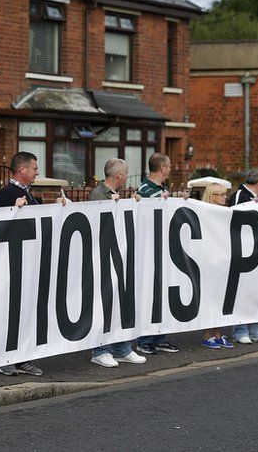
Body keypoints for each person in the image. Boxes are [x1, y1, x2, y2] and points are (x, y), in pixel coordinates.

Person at [88, 159, 147, 367]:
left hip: (118, 256)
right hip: (103, 257)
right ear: (119, 175)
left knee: (121, 303)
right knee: (105, 305)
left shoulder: (115, 195)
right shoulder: (98, 194)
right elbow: (96, 224)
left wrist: (132, 205)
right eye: (126, 172)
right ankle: (100, 350)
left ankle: (121, 348)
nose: (127, 176)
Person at [0, 152, 45, 376]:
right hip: (11, 263)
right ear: (22, 169)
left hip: (27, 262)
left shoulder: (27, 194)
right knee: (9, 311)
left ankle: (23, 358)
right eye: (34, 168)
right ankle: (4, 358)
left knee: (26, 312)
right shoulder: (7, 193)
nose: (37, 172)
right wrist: (12, 209)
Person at [135, 153, 179, 355]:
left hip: (163, 249)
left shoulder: (162, 190)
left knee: (162, 295)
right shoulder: (145, 190)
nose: (170, 169)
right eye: (169, 166)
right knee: (149, 295)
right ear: (162, 168)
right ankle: (144, 339)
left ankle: (159, 337)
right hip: (149, 251)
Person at [228, 168, 258, 345]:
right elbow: (235, 217)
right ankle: (240, 330)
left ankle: (255, 329)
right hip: (243, 250)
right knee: (243, 292)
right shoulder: (240, 195)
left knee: (257, 291)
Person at [199, 183, 234, 350]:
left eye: (225, 194)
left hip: (223, 259)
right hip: (209, 261)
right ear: (212, 196)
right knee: (210, 298)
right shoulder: (204, 213)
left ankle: (218, 334)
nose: (224, 197)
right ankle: (207, 335)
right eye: (220, 194)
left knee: (221, 298)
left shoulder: (225, 212)